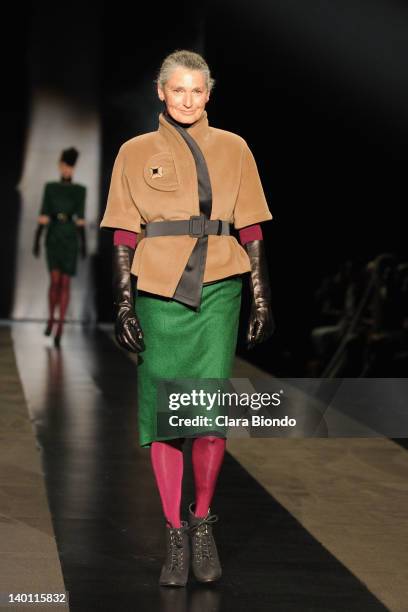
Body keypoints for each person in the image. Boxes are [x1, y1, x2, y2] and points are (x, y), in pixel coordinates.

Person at [100, 50, 275, 587]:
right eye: (178, 90)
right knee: (164, 418)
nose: (187, 100)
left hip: (220, 288)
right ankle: (174, 532)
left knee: (206, 413)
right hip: (158, 289)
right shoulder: (134, 151)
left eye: (197, 91)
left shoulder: (234, 148)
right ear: (160, 91)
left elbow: (251, 227)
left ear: (209, 95)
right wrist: (124, 301)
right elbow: (124, 232)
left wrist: (261, 294)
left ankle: (202, 522)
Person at [33, 147, 87, 347]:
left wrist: (83, 245)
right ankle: (51, 318)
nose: (67, 169)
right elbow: (43, 214)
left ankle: (60, 326)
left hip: (70, 237)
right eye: (65, 165)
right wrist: (36, 240)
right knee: (54, 281)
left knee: (65, 282)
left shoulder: (80, 191)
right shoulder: (50, 188)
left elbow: (80, 219)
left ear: (73, 168)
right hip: (53, 235)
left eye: (70, 166)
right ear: (60, 165)